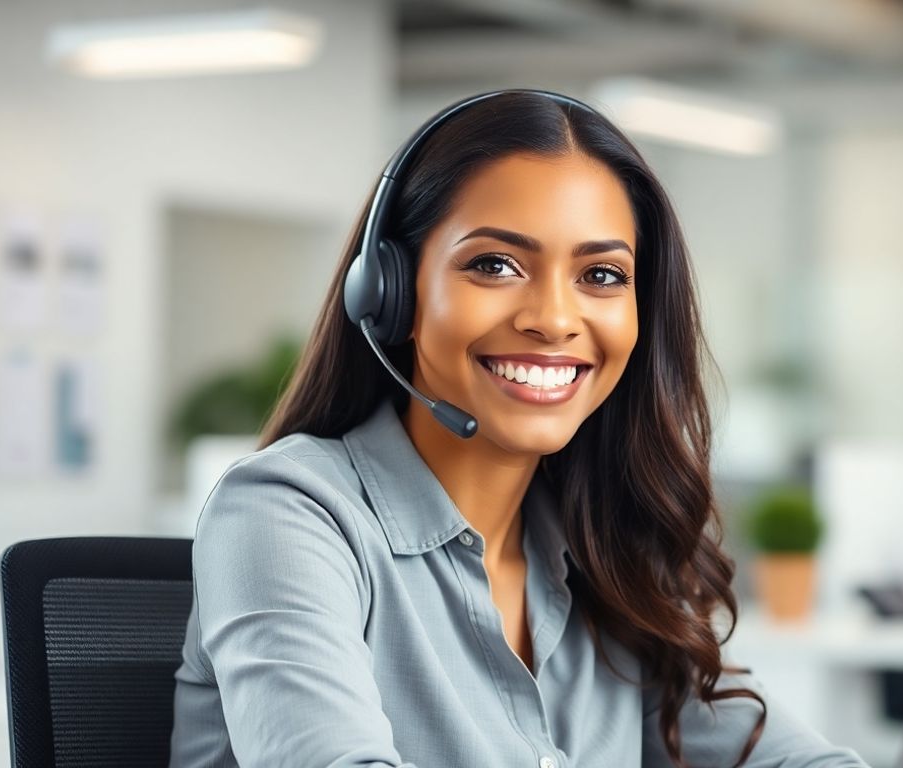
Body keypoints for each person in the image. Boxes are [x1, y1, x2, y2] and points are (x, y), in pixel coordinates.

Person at [168, 90, 866, 768]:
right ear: (392, 294)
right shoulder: (287, 515)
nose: (554, 320)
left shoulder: (607, 552)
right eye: (494, 265)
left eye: (601, 275)